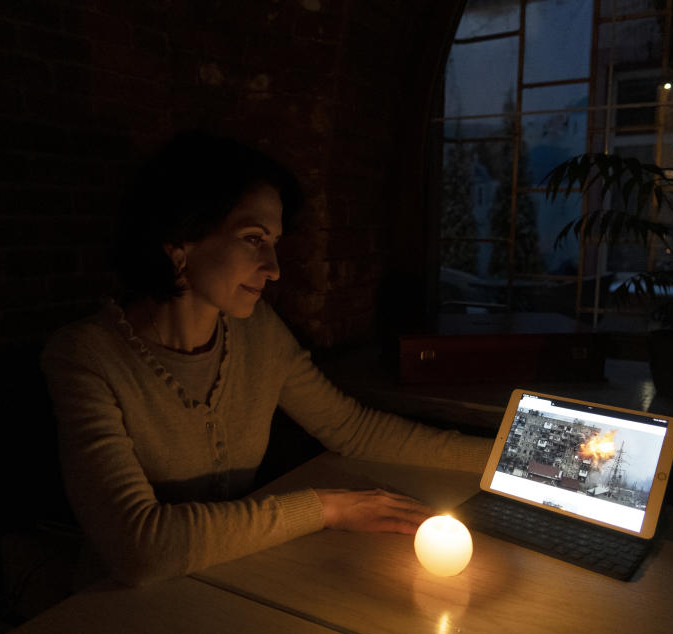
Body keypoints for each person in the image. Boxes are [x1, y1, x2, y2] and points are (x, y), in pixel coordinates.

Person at [40, 131, 493, 587]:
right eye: (253, 238)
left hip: (231, 580)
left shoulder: (257, 330)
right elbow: (140, 549)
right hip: (118, 607)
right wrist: (329, 508)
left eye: (274, 241)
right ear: (180, 241)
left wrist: (503, 461)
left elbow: (352, 428)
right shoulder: (86, 356)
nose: (274, 267)